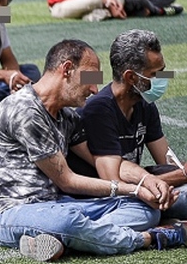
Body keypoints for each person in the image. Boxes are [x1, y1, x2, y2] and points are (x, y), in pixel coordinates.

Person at [0, 38, 184, 262]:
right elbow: (67, 181)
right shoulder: (24, 110)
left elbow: (103, 160)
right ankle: (154, 237)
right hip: (5, 211)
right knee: (67, 222)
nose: (94, 89)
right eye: (90, 78)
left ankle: (66, 240)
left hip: (54, 205)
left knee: (146, 209)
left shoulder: (67, 117)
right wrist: (136, 189)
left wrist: (146, 181)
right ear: (67, 70)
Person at [69, 29, 187, 221]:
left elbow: (166, 163)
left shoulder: (144, 105)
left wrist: (177, 175)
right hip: (105, 200)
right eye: (156, 74)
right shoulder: (98, 109)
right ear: (131, 77)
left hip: (137, 187)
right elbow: (112, 181)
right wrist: (179, 176)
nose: (163, 79)